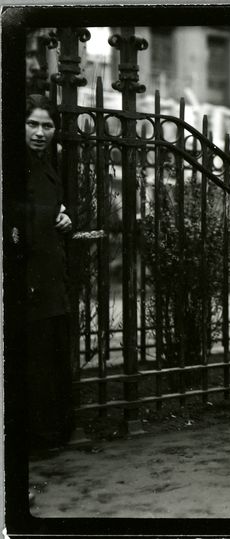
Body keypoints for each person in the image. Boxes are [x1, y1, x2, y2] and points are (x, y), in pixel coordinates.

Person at [20, 94, 74, 455]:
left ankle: (53, 433)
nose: (40, 133)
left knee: (51, 356)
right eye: (33, 124)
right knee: (33, 359)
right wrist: (49, 215)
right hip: (26, 277)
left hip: (50, 277)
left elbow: (59, 210)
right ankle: (35, 438)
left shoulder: (48, 165)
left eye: (47, 126)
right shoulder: (15, 162)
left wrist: (67, 219)